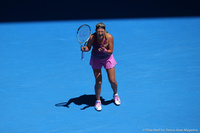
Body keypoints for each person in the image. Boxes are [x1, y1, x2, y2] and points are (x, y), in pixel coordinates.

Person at [81, 22, 121, 111]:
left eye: (102, 31)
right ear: (96, 31)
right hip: (96, 60)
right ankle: (98, 101)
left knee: (112, 80)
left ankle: (115, 94)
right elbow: (88, 47)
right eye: (98, 31)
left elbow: (111, 51)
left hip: (107, 59)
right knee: (98, 82)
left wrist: (105, 50)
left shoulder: (109, 37)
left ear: (105, 31)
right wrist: (85, 49)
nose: (100, 33)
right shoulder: (92, 37)